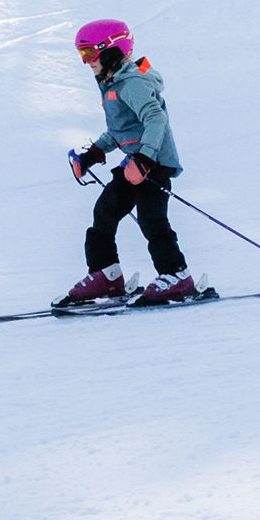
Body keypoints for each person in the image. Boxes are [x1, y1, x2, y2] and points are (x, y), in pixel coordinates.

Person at [54, 19, 206, 308]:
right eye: (81, 55)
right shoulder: (113, 84)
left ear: (109, 50)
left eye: (88, 54)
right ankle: (106, 275)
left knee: (152, 221)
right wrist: (94, 154)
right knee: (104, 213)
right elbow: (120, 130)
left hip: (153, 163)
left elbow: (155, 118)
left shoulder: (132, 83)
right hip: (132, 164)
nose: (86, 62)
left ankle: (177, 277)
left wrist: (146, 157)